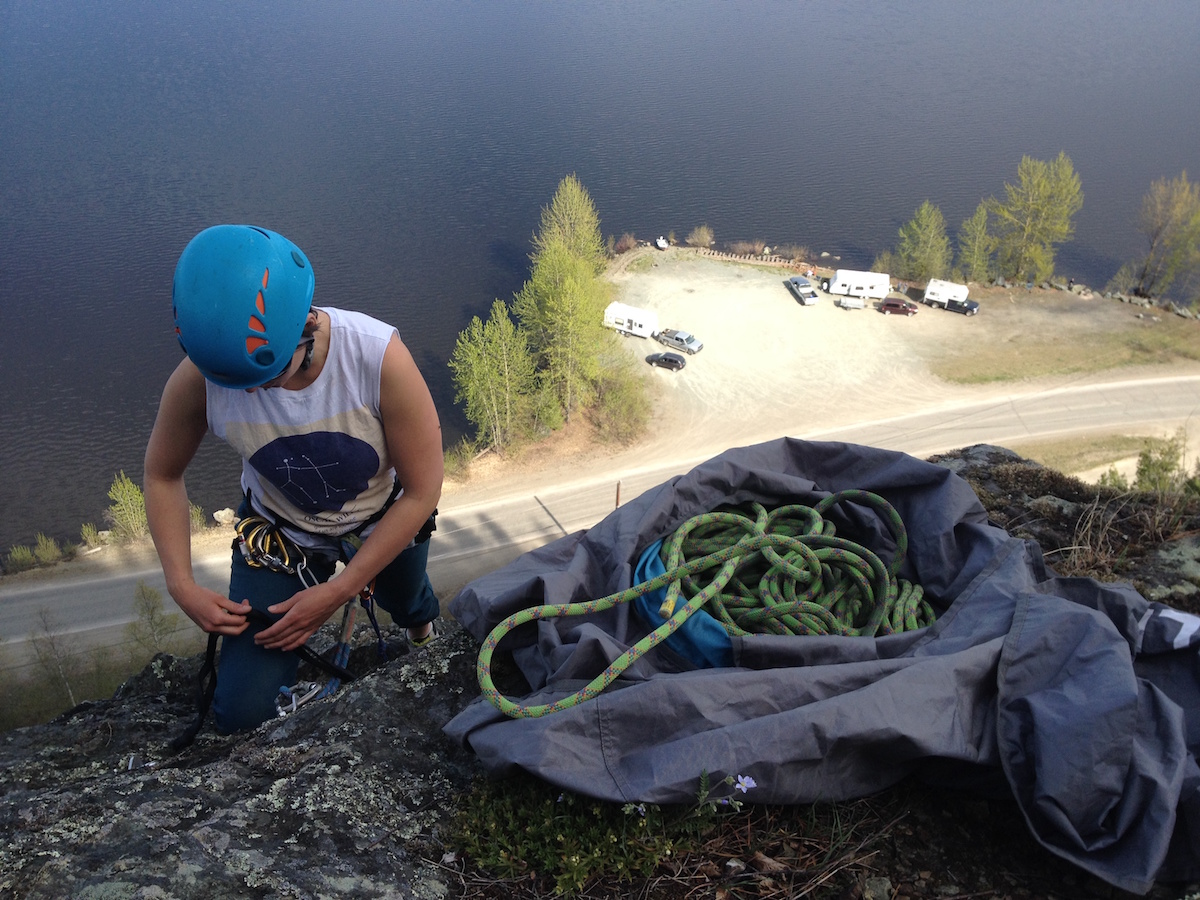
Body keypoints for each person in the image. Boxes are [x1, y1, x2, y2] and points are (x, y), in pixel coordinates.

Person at [145, 224, 444, 733]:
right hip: (280, 531)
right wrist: (180, 584)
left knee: (406, 595)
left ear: (303, 326)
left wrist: (342, 588)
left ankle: (422, 633)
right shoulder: (205, 378)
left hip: (384, 513)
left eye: (267, 377)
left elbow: (422, 490)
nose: (250, 395)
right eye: (236, 384)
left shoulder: (375, 358)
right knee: (240, 715)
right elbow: (161, 475)